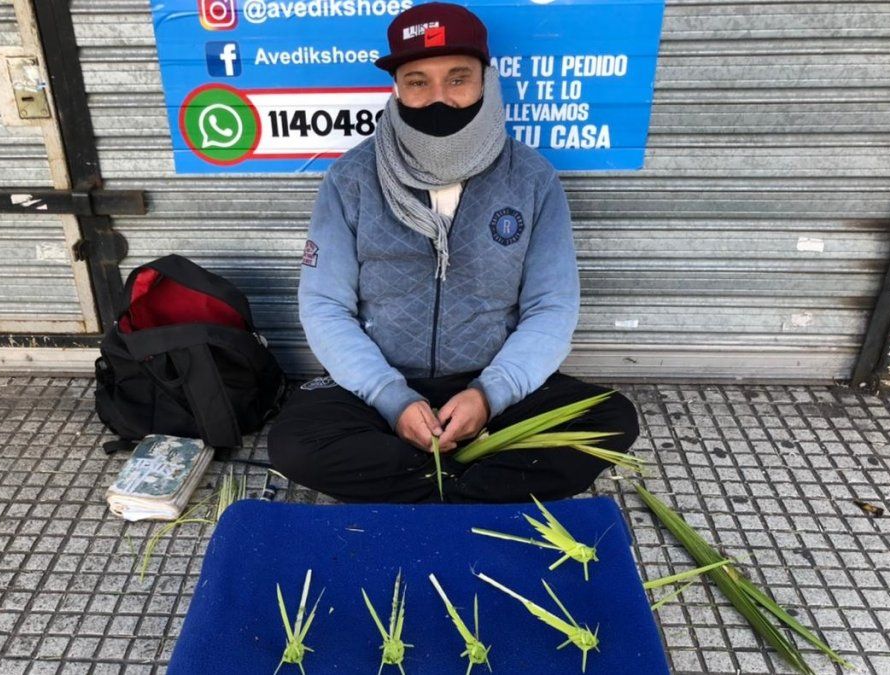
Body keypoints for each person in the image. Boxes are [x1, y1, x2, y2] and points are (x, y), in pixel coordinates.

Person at [268, 2, 639, 503]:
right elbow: (324, 305)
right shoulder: (351, 179)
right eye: (417, 82)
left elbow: (552, 306)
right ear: (397, 89)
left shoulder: (532, 179)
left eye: (458, 79)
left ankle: (425, 482)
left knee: (610, 418)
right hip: (380, 386)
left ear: (486, 81)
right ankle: (474, 482)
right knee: (294, 444)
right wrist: (391, 399)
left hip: (489, 385)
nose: (438, 98)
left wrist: (490, 395)